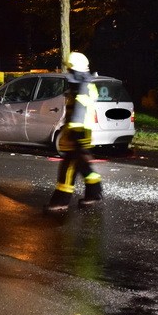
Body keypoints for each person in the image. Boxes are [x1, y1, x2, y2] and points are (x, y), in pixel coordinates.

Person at [45, 52, 103, 211]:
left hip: (78, 131)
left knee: (68, 168)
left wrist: (74, 135)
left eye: (70, 69)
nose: (68, 72)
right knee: (83, 166)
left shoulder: (82, 88)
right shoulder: (83, 86)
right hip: (81, 131)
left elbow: (79, 112)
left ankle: (61, 201)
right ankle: (94, 192)